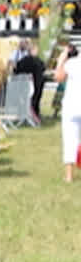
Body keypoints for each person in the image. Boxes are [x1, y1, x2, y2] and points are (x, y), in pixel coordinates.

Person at [58, 45, 81, 182]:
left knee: (69, 140)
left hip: (72, 106)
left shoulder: (71, 64)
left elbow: (59, 77)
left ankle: (69, 175)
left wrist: (61, 60)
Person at [10, 39, 46, 123]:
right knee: (35, 100)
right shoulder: (39, 61)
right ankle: (35, 116)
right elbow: (43, 69)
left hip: (22, 86)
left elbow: (15, 70)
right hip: (36, 85)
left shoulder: (23, 61)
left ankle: (23, 115)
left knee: (22, 100)